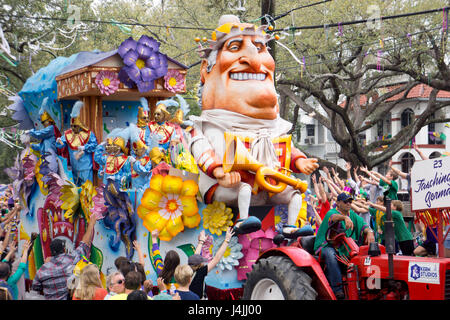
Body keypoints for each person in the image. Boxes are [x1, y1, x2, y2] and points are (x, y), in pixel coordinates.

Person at [187, 14, 319, 238]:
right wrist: (219, 171)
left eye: (259, 47)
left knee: (295, 192)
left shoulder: (274, 127)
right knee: (244, 189)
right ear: (205, 69)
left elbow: (284, 150)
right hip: (230, 188)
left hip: (268, 186)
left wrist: (300, 161)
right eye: (235, 47)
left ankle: (291, 227)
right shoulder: (207, 126)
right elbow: (202, 150)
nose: (254, 60)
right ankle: (244, 221)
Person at [313, 192, 375, 299]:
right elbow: (333, 217)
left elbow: (363, 224)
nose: (348, 203)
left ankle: (371, 287)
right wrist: (344, 218)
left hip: (344, 246)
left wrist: (369, 232)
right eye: (345, 201)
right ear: (337, 203)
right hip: (325, 245)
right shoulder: (332, 212)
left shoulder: (352, 215)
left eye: (350, 201)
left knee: (368, 255)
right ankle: (337, 289)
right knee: (330, 254)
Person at [31, 214, 99, 300]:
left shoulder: (42, 270)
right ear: (64, 249)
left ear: (51, 252)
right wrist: (91, 223)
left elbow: (34, 289)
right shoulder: (71, 259)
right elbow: (85, 244)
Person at [56, 100, 98, 187]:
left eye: (75, 126)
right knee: (75, 189)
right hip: (74, 168)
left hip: (86, 167)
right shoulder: (67, 134)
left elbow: (94, 146)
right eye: (71, 126)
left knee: (87, 188)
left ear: (80, 126)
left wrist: (85, 147)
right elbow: (61, 145)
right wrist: (58, 141)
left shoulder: (88, 134)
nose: (73, 128)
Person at [188, 227, 234, 299]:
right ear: (200, 264)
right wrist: (227, 240)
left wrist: (201, 241)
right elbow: (216, 258)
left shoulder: (187, 270)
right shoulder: (201, 272)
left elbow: (195, 257)